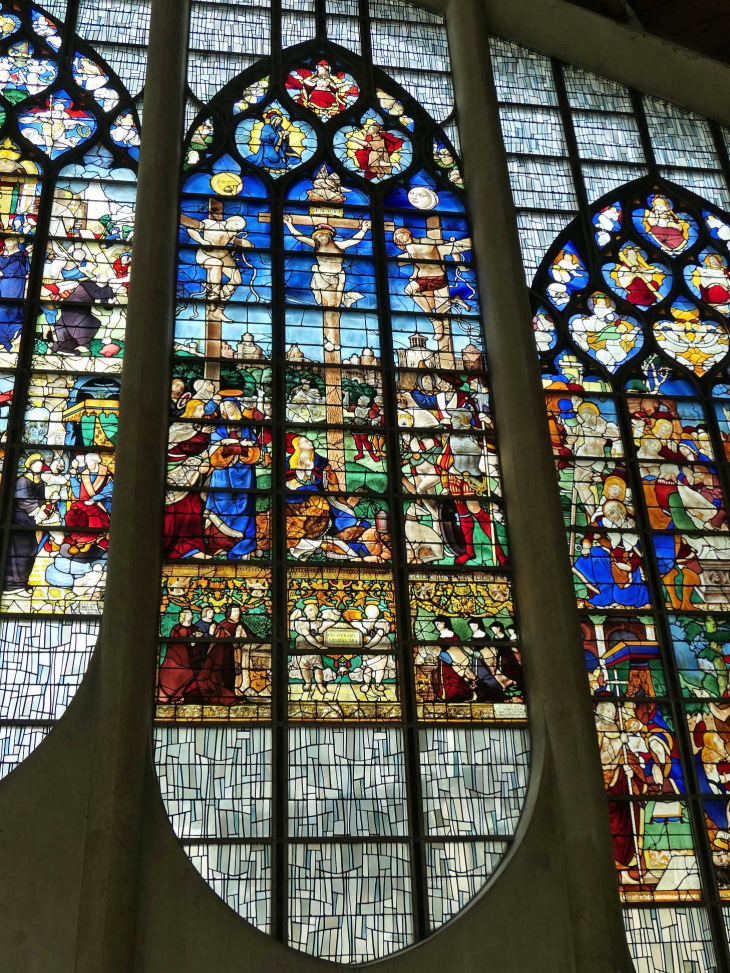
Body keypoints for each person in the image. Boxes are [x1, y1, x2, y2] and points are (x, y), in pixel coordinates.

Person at [283, 215, 370, 308]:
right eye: (317, 236)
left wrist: (364, 229)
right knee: (330, 304)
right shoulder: (317, 245)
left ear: (328, 234)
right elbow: (299, 237)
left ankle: (330, 322)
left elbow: (354, 241)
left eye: (320, 235)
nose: (319, 238)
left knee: (336, 304)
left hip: (338, 278)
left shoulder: (339, 245)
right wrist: (289, 224)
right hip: (323, 277)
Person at [0, 236, 28, 351]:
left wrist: (2, 271)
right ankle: (6, 338)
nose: (6, 247)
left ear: (15, 244)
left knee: (5, 309)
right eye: (6, 244)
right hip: (6, 284)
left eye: (8, 244)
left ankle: (4, 340)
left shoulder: (19, 256)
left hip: (13, 286)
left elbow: (10, 270)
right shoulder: (10, 255)